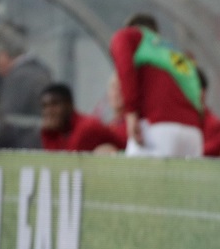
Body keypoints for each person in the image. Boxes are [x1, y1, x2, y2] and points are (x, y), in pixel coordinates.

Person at [110, 12, 204, 158]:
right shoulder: (175, 53)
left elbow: (125, 65)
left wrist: (131, 112)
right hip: (193, 134)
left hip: (159, 127)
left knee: (131, 178)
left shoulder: (132, 36)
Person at [0, 21, 52, 149]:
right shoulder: (40, 70)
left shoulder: (18, 78)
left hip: (22, 151)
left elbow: (6, 123)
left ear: (3, 55)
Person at [40, 83, 126, 152]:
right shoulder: (62, 132)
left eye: (54, 104)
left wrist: (50, 136)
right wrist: (50, 134)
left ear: (69, 104)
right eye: (45, 106)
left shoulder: (86, 128)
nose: (49, 111)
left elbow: (65, 165)